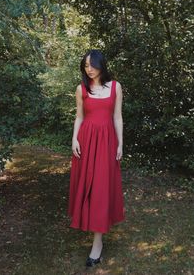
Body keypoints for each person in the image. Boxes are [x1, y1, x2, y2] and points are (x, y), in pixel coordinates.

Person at [68, 49, 125, 267]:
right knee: (88, 187)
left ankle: (97, 243)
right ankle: (89, 223)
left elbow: (118, 116)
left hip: (107, 141)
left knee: (102, 187)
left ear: (102, 64)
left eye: (92, 65)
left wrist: (120, 142)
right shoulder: (81, 88)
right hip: (86, 141)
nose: (88, 69)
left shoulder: (115, 87)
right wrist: (74, 139)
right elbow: (79, 116)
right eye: (85, 66)